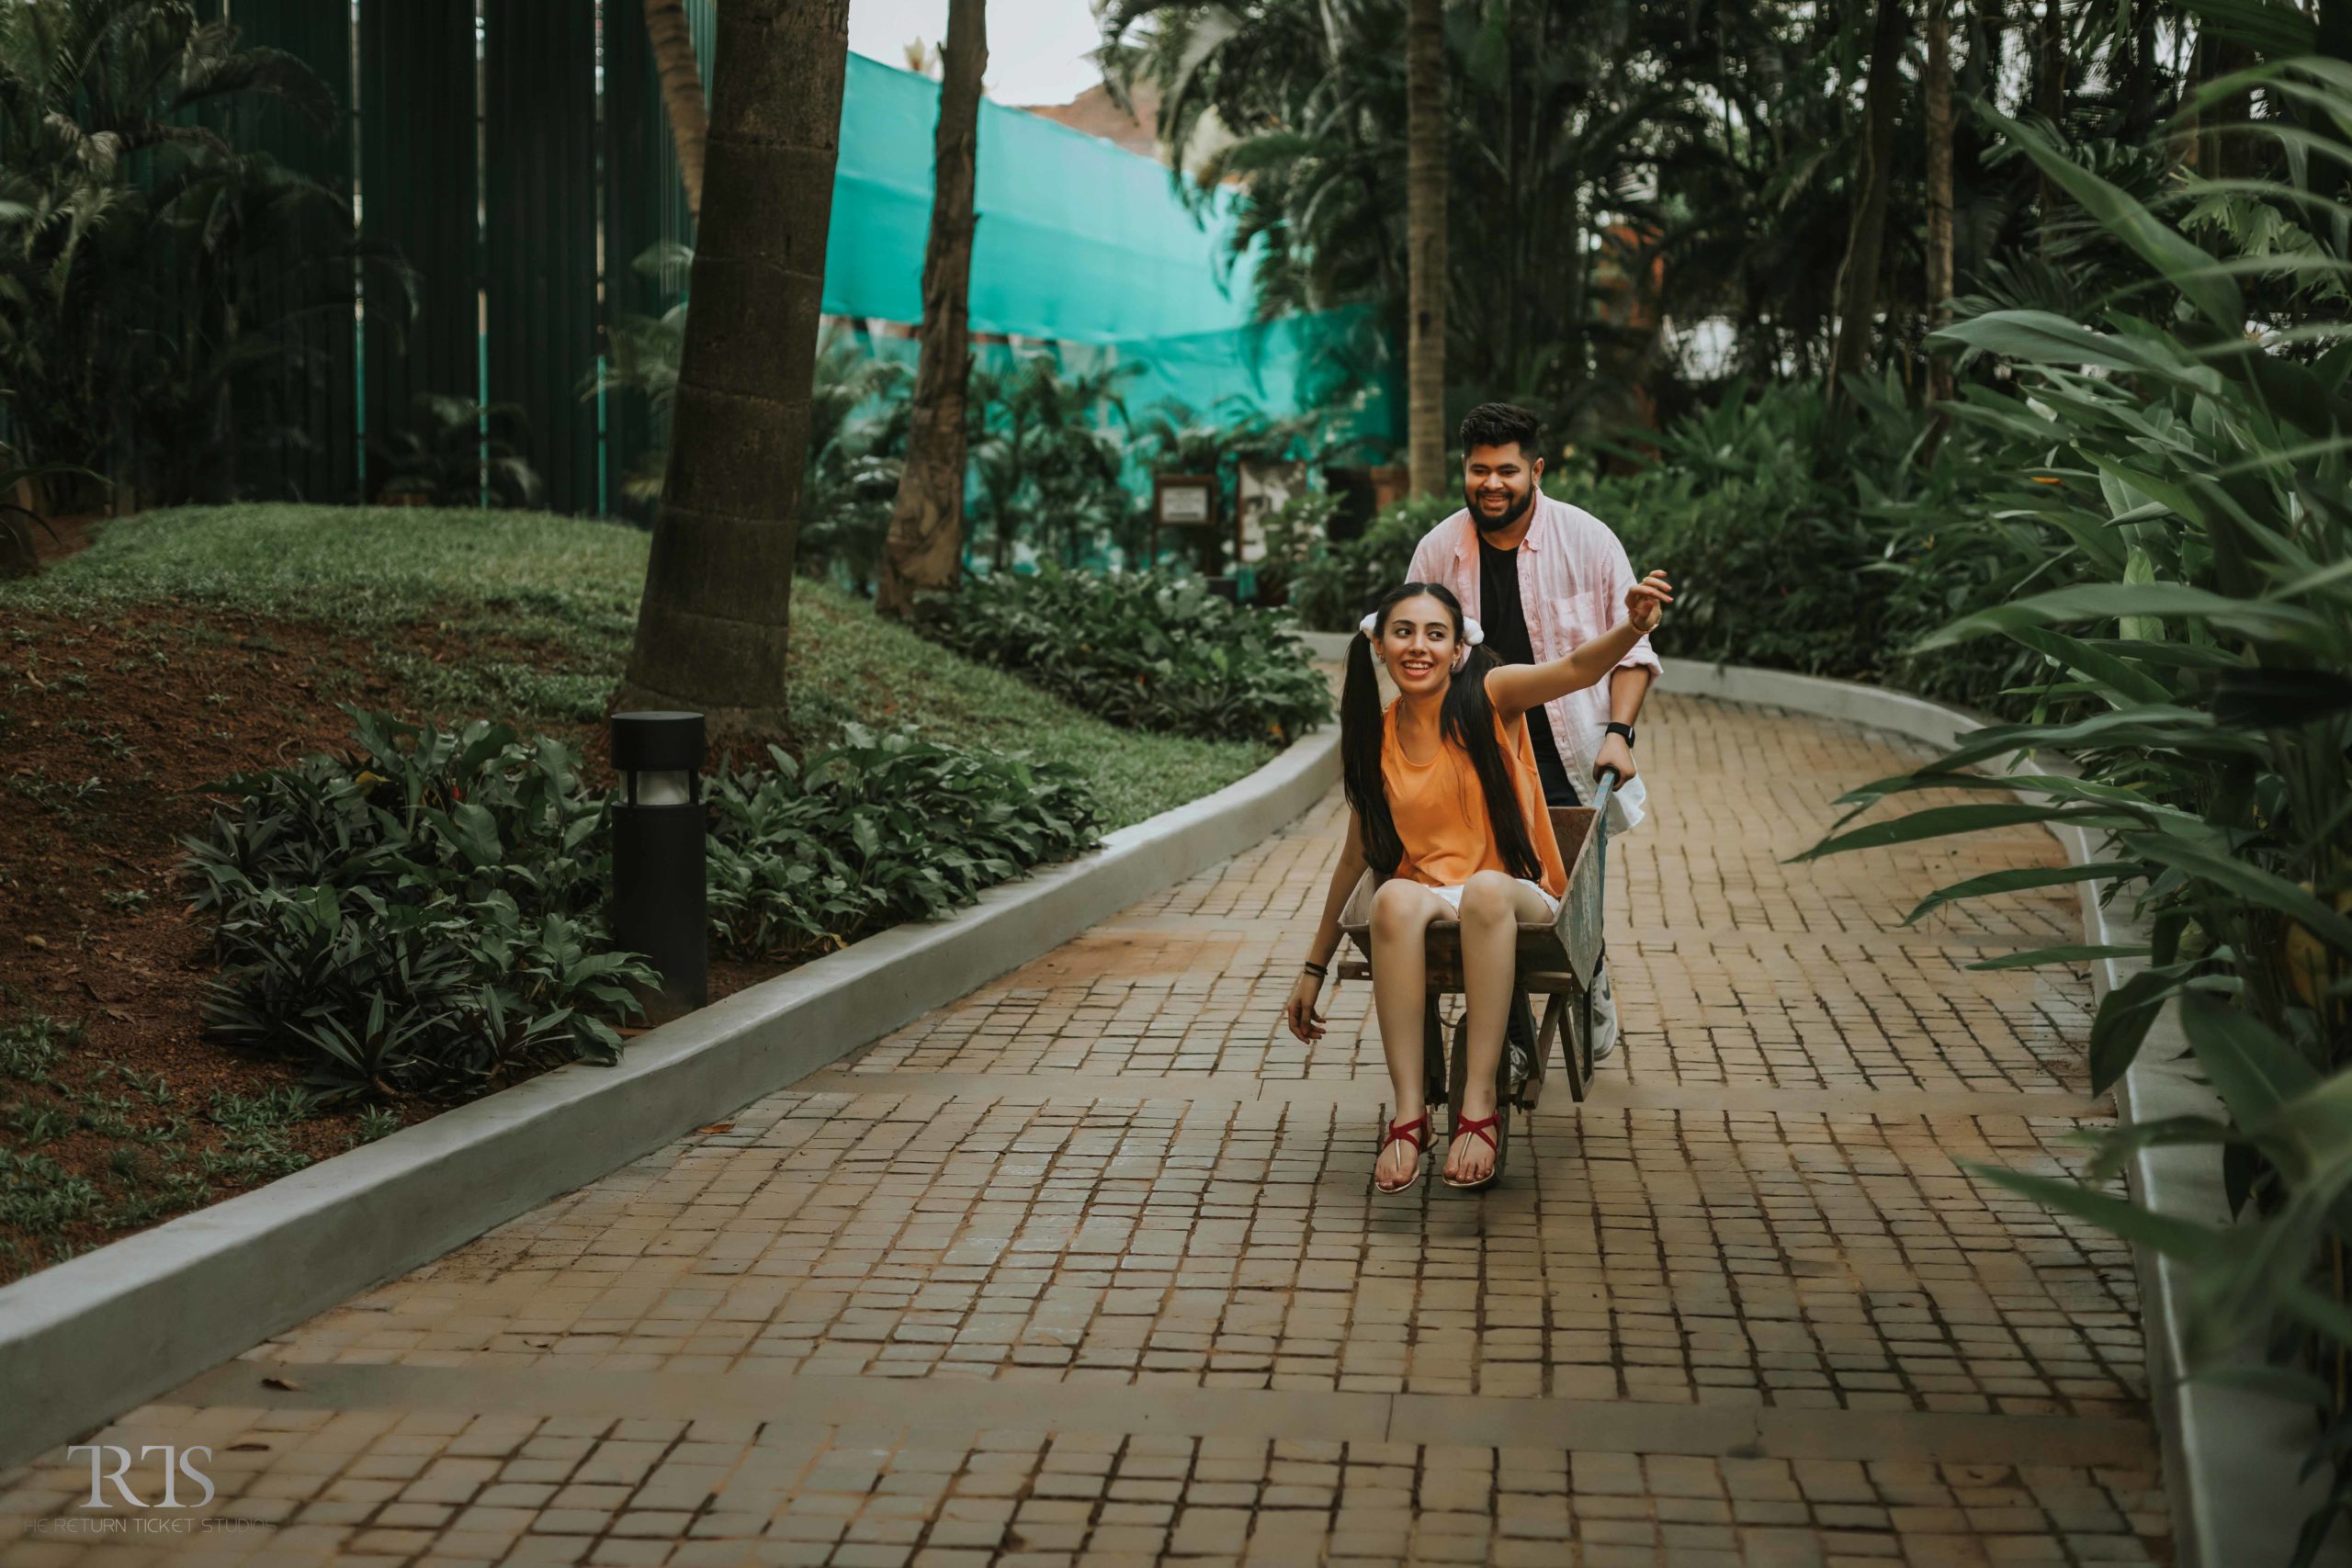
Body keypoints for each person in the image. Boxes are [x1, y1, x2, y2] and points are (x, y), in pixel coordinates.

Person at [1283, 571, 1672, 1194]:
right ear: (1378, 645)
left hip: (1516, 891)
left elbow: (1573, 668)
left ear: (1457, 649)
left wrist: (1633, 626)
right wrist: (1314, 965)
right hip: (1431, 895)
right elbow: (1356, 855)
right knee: (1390, 899)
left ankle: (1479, 1103)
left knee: (1488, 888)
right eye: (1403, 632)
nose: (1419, 646)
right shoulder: (1375, 737)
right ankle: (1410, 1112)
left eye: (1435, 634)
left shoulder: (1489, 695)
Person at [1406, 401, 1660, 1065]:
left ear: (1536, 469)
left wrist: (1619, 734)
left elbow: (1630, 655)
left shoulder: (1588, 540)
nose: (1492, 484)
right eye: (1479, 470)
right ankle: (1515, 1039)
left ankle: (1590, 964)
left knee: (1570, 905)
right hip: (1477, 761)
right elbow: (1417, 657)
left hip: (1571, 759)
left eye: (1508, 471)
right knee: (1495, 898)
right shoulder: (1438, 550)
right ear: (1463, 469)